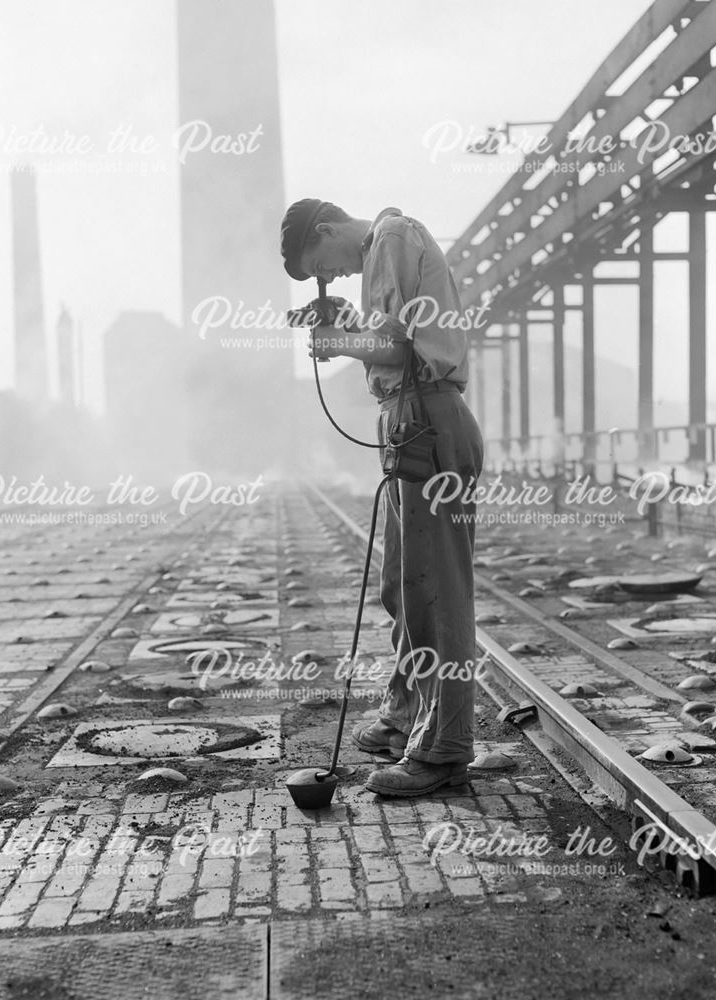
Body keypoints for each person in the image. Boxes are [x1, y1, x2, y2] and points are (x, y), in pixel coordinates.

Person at [280, 199, 484, 797]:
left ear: (325, 231)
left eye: (324, 267)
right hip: (406, 426)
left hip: (428, 423)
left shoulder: (391, 237)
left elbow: (398, 350)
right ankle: (405, 715)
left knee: (438, 594)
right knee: (402, 585)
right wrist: (346, 321)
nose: (333, 276)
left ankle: (443, 748)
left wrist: (340, 342)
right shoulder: (380, 256)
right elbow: (393, 336)